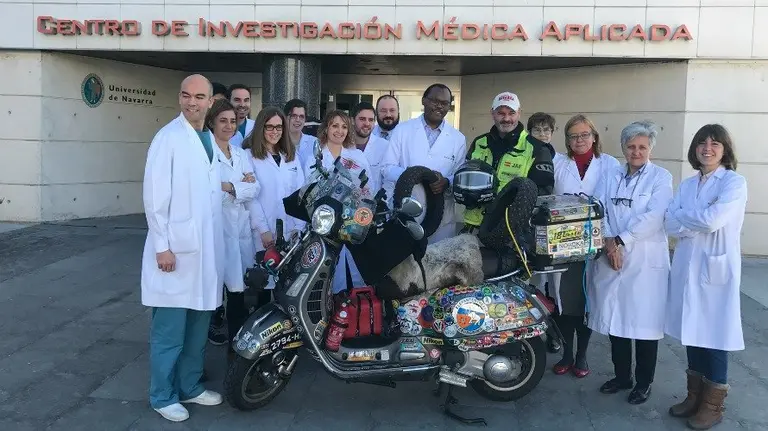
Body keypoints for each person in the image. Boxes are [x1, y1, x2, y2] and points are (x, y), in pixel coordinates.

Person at [140, 74, 224, 422]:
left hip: (204, 254)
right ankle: (162, 395)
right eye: (187, 96)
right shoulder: (168, 138)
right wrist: (162, 246)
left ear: (210, 101)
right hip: (174, 252)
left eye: (199, 97)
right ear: (180, 98)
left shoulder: (208, 138)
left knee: (197, 329)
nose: (192, 102)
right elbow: (155, 197)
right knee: (170, 332)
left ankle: (190, 387)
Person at [665, 124, 747, 430]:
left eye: (715, 143)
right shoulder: (688, 184)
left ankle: (713, 405)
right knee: (692, 331)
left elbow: (713, 222)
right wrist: (691, 218)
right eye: (702, 142)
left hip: (716, 270)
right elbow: (669, 223)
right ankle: (694, 396)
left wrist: (686, 217)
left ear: (725, 149)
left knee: (715, 336)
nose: (707, 148)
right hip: (688, 266)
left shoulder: (734, 183)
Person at [589, 120, 673, 405]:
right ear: (623, 148)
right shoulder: (611, 174)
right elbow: (597, 207)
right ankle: (622, 376)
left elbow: (654, 216)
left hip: (644, 261)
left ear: (650, 149)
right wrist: (609, 241)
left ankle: (644, 382)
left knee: (645, 325)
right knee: (617, 322)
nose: (636, 152)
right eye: (631, 146)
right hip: (612, 253)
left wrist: (621, 240)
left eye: (642, 147)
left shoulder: (661, 177)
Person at [551, 114, 621, 379]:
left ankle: (582, 356)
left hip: (596, 243)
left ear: (594, 137)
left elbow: (613, 205)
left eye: (584, 135)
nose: (579, 140)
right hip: (564, 244)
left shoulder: (610, 164)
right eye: (573, 136)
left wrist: (611, 240)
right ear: (567, 140)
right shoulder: (558, 163)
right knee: (566, 302)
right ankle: (567, 354)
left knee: (588, 301)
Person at [204, 99, 260, 350]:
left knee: (237, 292)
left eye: (232, 121)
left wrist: (228, 186)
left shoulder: (239, 153)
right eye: (223, 121)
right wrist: (239, 186)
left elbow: (255, 188)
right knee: (213, 293)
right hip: (216, 227)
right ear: (212, 123)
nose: (229, 125)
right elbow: (207, 190)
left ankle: (235, 350)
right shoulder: (205, 153)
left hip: (239, 228)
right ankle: (202, 346)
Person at [381, 83, 466, 244]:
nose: (439, 106)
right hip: (407, 211)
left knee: (439, 265)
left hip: (442, 218)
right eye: (434, 100)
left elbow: (459, 176)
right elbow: (386, 168)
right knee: (407, 266)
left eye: (445, 103)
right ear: (424, 101)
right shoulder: (402, 130)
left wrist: (446, 182)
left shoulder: (458, 138)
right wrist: (416, 175)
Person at [462, 93, 555, 234]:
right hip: (473, 227)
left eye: (511, 113)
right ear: (492, 113)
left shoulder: (537, 148)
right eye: (501, 113)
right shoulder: (479, 142)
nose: (506, 119)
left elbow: (542, 194)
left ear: (519, 113)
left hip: (510, 233)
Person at [303, 110, 372, 295]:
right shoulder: (314, 157)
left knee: (352, 272)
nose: (339, 131)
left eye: (343, 126)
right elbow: (308, 189)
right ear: (326, 128)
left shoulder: (357, 156)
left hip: (351, 225)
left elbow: (369, 189)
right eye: (334, 125)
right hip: (323, 225)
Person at [244, 107, 305, 294]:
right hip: (263, 233)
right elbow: (250, 197)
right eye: (269, 127)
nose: (274, 131)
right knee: (262, 285)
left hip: (291, 234)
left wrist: (298, 228)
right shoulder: (248, 156)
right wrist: (263, 230)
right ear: (261, 128)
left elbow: (300, 194)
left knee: (287, 288)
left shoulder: (291, 157)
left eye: (278, 127)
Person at [526, 112, 562, 354]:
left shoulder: (558, 158)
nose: (542, 134)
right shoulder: (525, 153)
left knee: (554, 285)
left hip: (553, 230)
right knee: (530, 282)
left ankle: (553, 332)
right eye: (537, 130)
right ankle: (530, 332)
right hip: (528, 225)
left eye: (547, 130)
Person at [351, 102, 389, 195]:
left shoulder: (384, 146)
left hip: (374, 205)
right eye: (362, 119)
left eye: (371, 120)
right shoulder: (342, 146)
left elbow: (388, 181)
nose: (367, 123)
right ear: (352, 120)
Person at [285, 99, 319, 167]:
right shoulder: (277, 143)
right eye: (293, 116)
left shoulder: (314, 142)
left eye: (301, 116)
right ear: (285, 117)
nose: (297, 120)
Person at [228, 84, 254, 149]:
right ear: (228, 101)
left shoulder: (257, 126)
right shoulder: (220, 129)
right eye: (237, 100)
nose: (242, 104)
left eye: (246, 100)